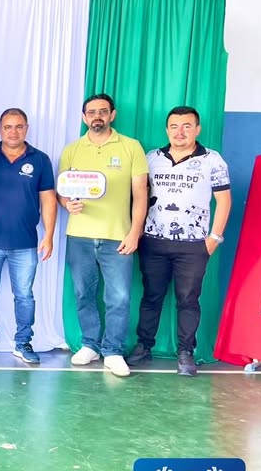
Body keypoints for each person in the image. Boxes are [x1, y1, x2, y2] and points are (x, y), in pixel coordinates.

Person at [127, 106, 231, 377]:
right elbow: (138, 196)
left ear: (197, 129)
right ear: (167, 130)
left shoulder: (212, 160)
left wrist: (214, 239)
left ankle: (186, 352)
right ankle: (144, 346)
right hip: (154, 242)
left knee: (188, 300)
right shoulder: (151, 158)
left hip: (193, 246)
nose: (180, 132)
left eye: (186, 126)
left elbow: (224, 201)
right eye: (174, 126)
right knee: (151, 296)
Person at [59, 93, 148, 377]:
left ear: (112, 114)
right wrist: (67, 203)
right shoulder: (72, 150)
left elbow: (141, 194)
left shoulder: (131, 147)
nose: (97, 116)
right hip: (79, 236)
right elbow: (62, 191)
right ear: (84, 117)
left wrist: (134, 233)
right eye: (91, 112)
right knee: (83, 293)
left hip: (117, 237)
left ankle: (113, 351)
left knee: (118, 297)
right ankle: (90, 345)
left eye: (102, 111)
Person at [0, 108, 57, 365]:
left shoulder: (40, 160)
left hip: (25, 243)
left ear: (26, 128)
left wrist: (49, 235)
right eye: (8, 127)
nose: (13, 132)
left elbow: (48, 200)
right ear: (0, 129)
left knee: (25, 295)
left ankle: (23, 342)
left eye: (19, 126)